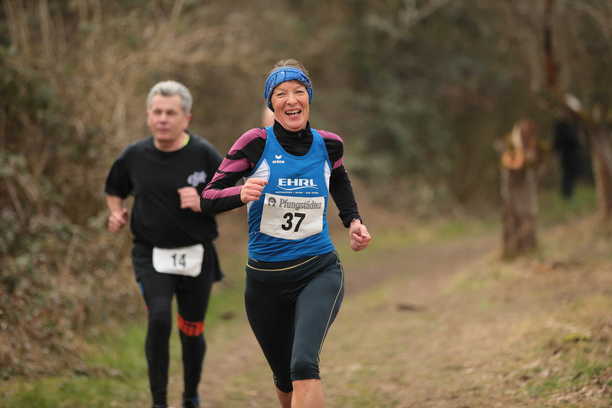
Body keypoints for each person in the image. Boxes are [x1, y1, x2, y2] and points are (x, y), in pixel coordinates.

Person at [201, 59, 372, 407]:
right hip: (264, 282)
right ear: (271, 103)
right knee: (283, 379)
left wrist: (353, 220)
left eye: (298, 91)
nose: (291, 100)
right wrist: (240, 193)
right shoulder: (254, 143)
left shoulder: (330, 145)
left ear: (309, 97)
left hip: (318, 270)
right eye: (281, 94)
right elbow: (208, 197)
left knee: (304, 366)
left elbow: (338, 178)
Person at [105, 80, 223, 408]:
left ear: (186, 118)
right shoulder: (134, 156)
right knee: (159, 319)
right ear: (148, 115)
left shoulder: (204, 154)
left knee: (191, 328)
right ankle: (159, 401)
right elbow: (114, 189)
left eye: (171, 113)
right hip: (151, 254)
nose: (162, 119)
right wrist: (115, 213)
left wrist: (203, 201)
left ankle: (190, 396)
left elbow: (235, 193)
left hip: (196, 253)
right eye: (157, 112)